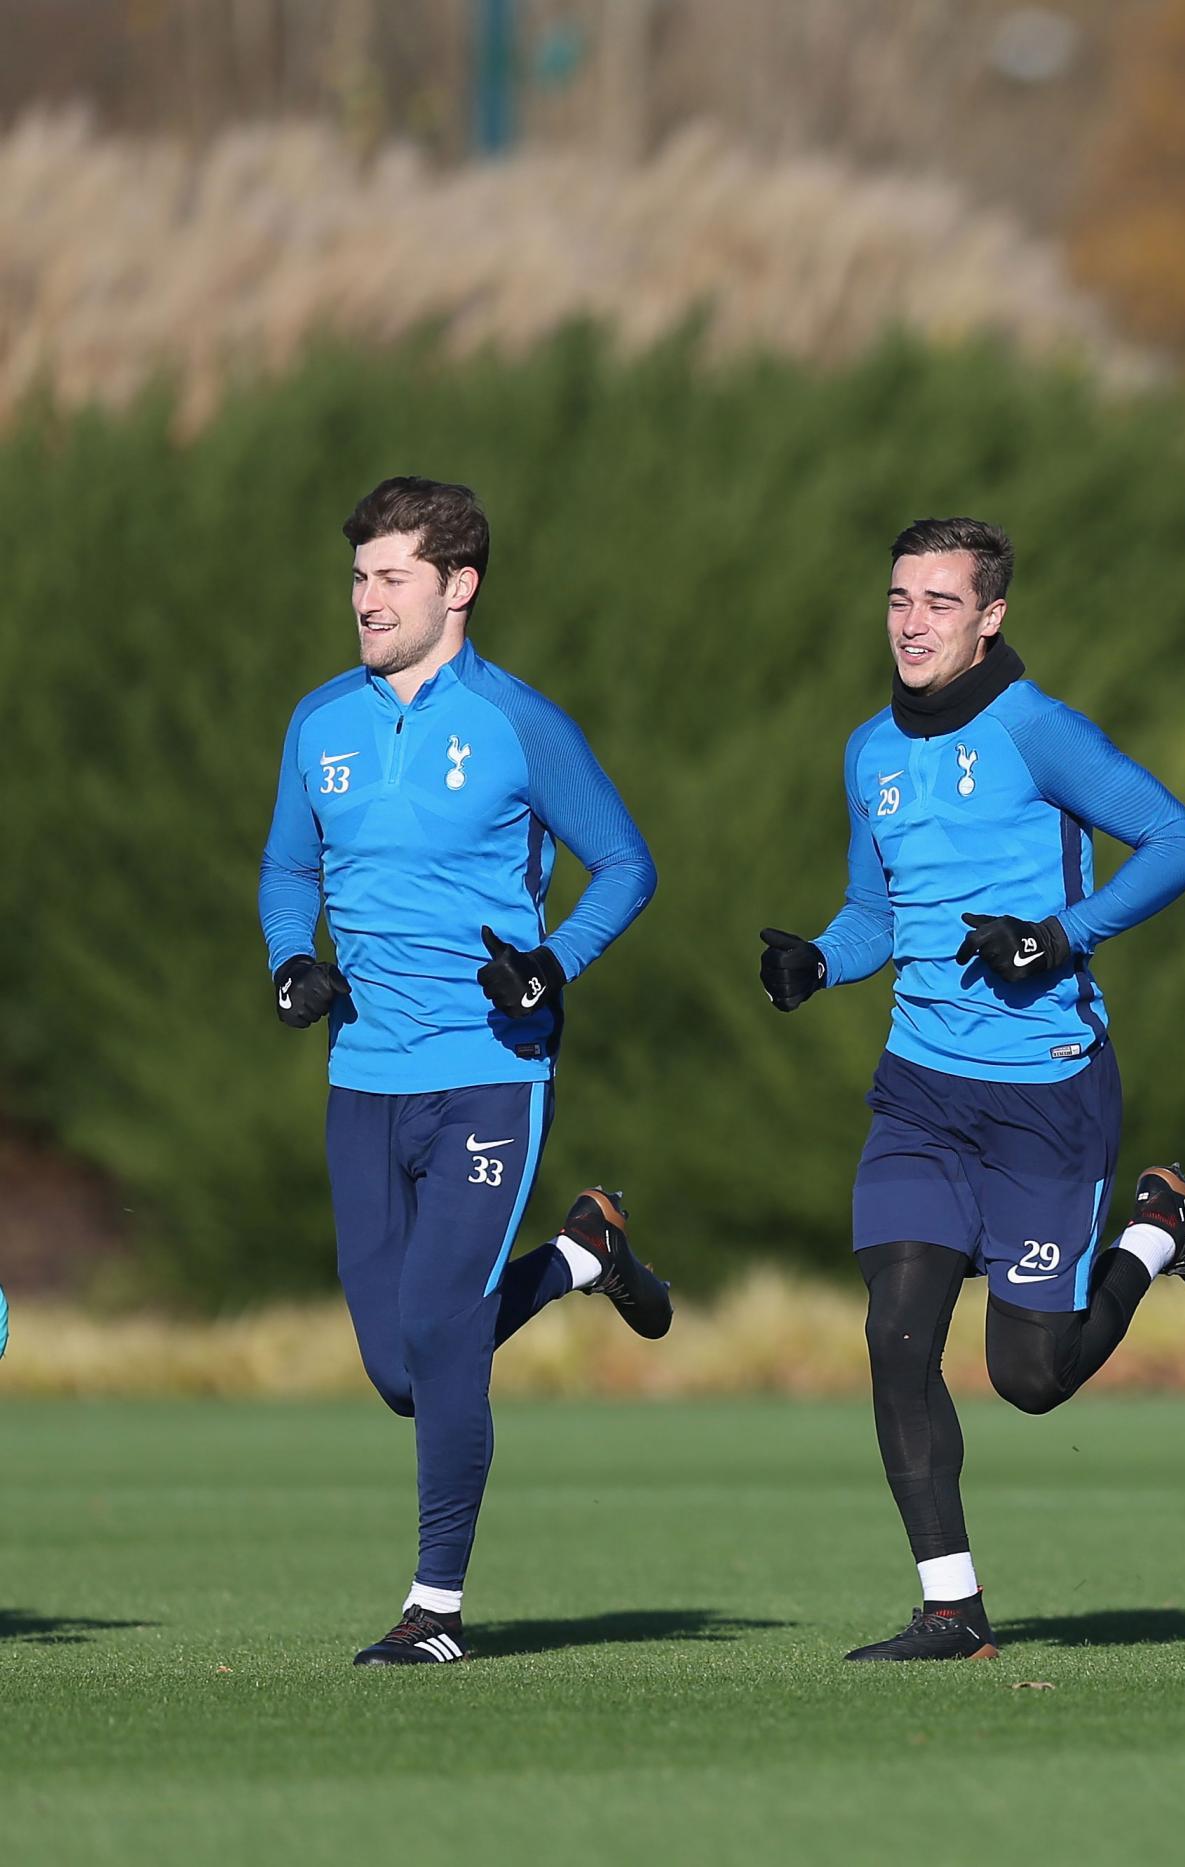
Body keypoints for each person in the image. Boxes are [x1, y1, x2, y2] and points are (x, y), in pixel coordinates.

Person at [760, 516, 1185, 1663]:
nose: (912, 622)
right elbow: (878, 913)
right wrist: (821, 960)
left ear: (990, 618)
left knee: (1029, 1378)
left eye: (938, 602)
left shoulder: (1038, 731)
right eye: (897, 600)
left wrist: (1063, 937)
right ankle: (950, 1606)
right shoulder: (868, 748)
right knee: (894, 1333)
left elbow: (1180, 840)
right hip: (919, 1094)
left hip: (1045, 1096)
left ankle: (1156, 1231)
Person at [260, 476, 670, 1666]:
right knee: (398, 1367)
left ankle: (433, 1609)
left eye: (391, 576)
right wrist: (295, 960)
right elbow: (289, 869)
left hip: (491, 1069)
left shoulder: (519, 724)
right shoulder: (320, 721)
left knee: (440, 1333)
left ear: (460, 587)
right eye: (358, 576)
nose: (366, 597)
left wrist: (555, 961)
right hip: (363, 1072)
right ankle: (582, 1257)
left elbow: (626, 864)